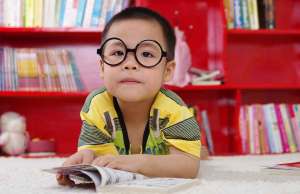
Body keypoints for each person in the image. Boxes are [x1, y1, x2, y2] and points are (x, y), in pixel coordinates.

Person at [57, 6, 201, 186]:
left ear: (168, 71)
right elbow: (97, 153)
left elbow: (189, 166)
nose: (130, 64)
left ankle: (200, 148)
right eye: (118, 53)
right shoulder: (96, 105)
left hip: (169, 152)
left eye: (146, 54)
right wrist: (85, 159)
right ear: (102, 67)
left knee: (198, 153)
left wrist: (136, 162)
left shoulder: (175, 109)